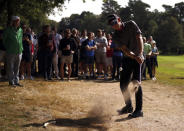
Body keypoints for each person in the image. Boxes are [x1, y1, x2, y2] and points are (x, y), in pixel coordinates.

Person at [107, 14, 144, 118]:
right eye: (111, 24)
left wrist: (140, 54)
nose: (114, 25)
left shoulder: (131, 24)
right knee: (123, 84)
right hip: (128, 57)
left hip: (139, 56)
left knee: (136, 83)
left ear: (119, 19)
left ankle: (139, 110)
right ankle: (128, 107)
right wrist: (133, 56)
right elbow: (125, 49)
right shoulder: (115, 36)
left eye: (114, 22)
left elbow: (139, 37)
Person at [3, 16, 23, 87]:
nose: (18, 22)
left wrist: (21, 48)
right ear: (13, 21)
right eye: (17, 21)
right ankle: (11, 82)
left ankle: (16, 81)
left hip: (19, 51)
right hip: (10, 52)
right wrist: (8, 47)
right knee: (10, 67)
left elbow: (20, 40)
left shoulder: (20, 30)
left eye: (18, 21)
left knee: (17, 67)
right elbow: (4, 40)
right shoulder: (8, 30)